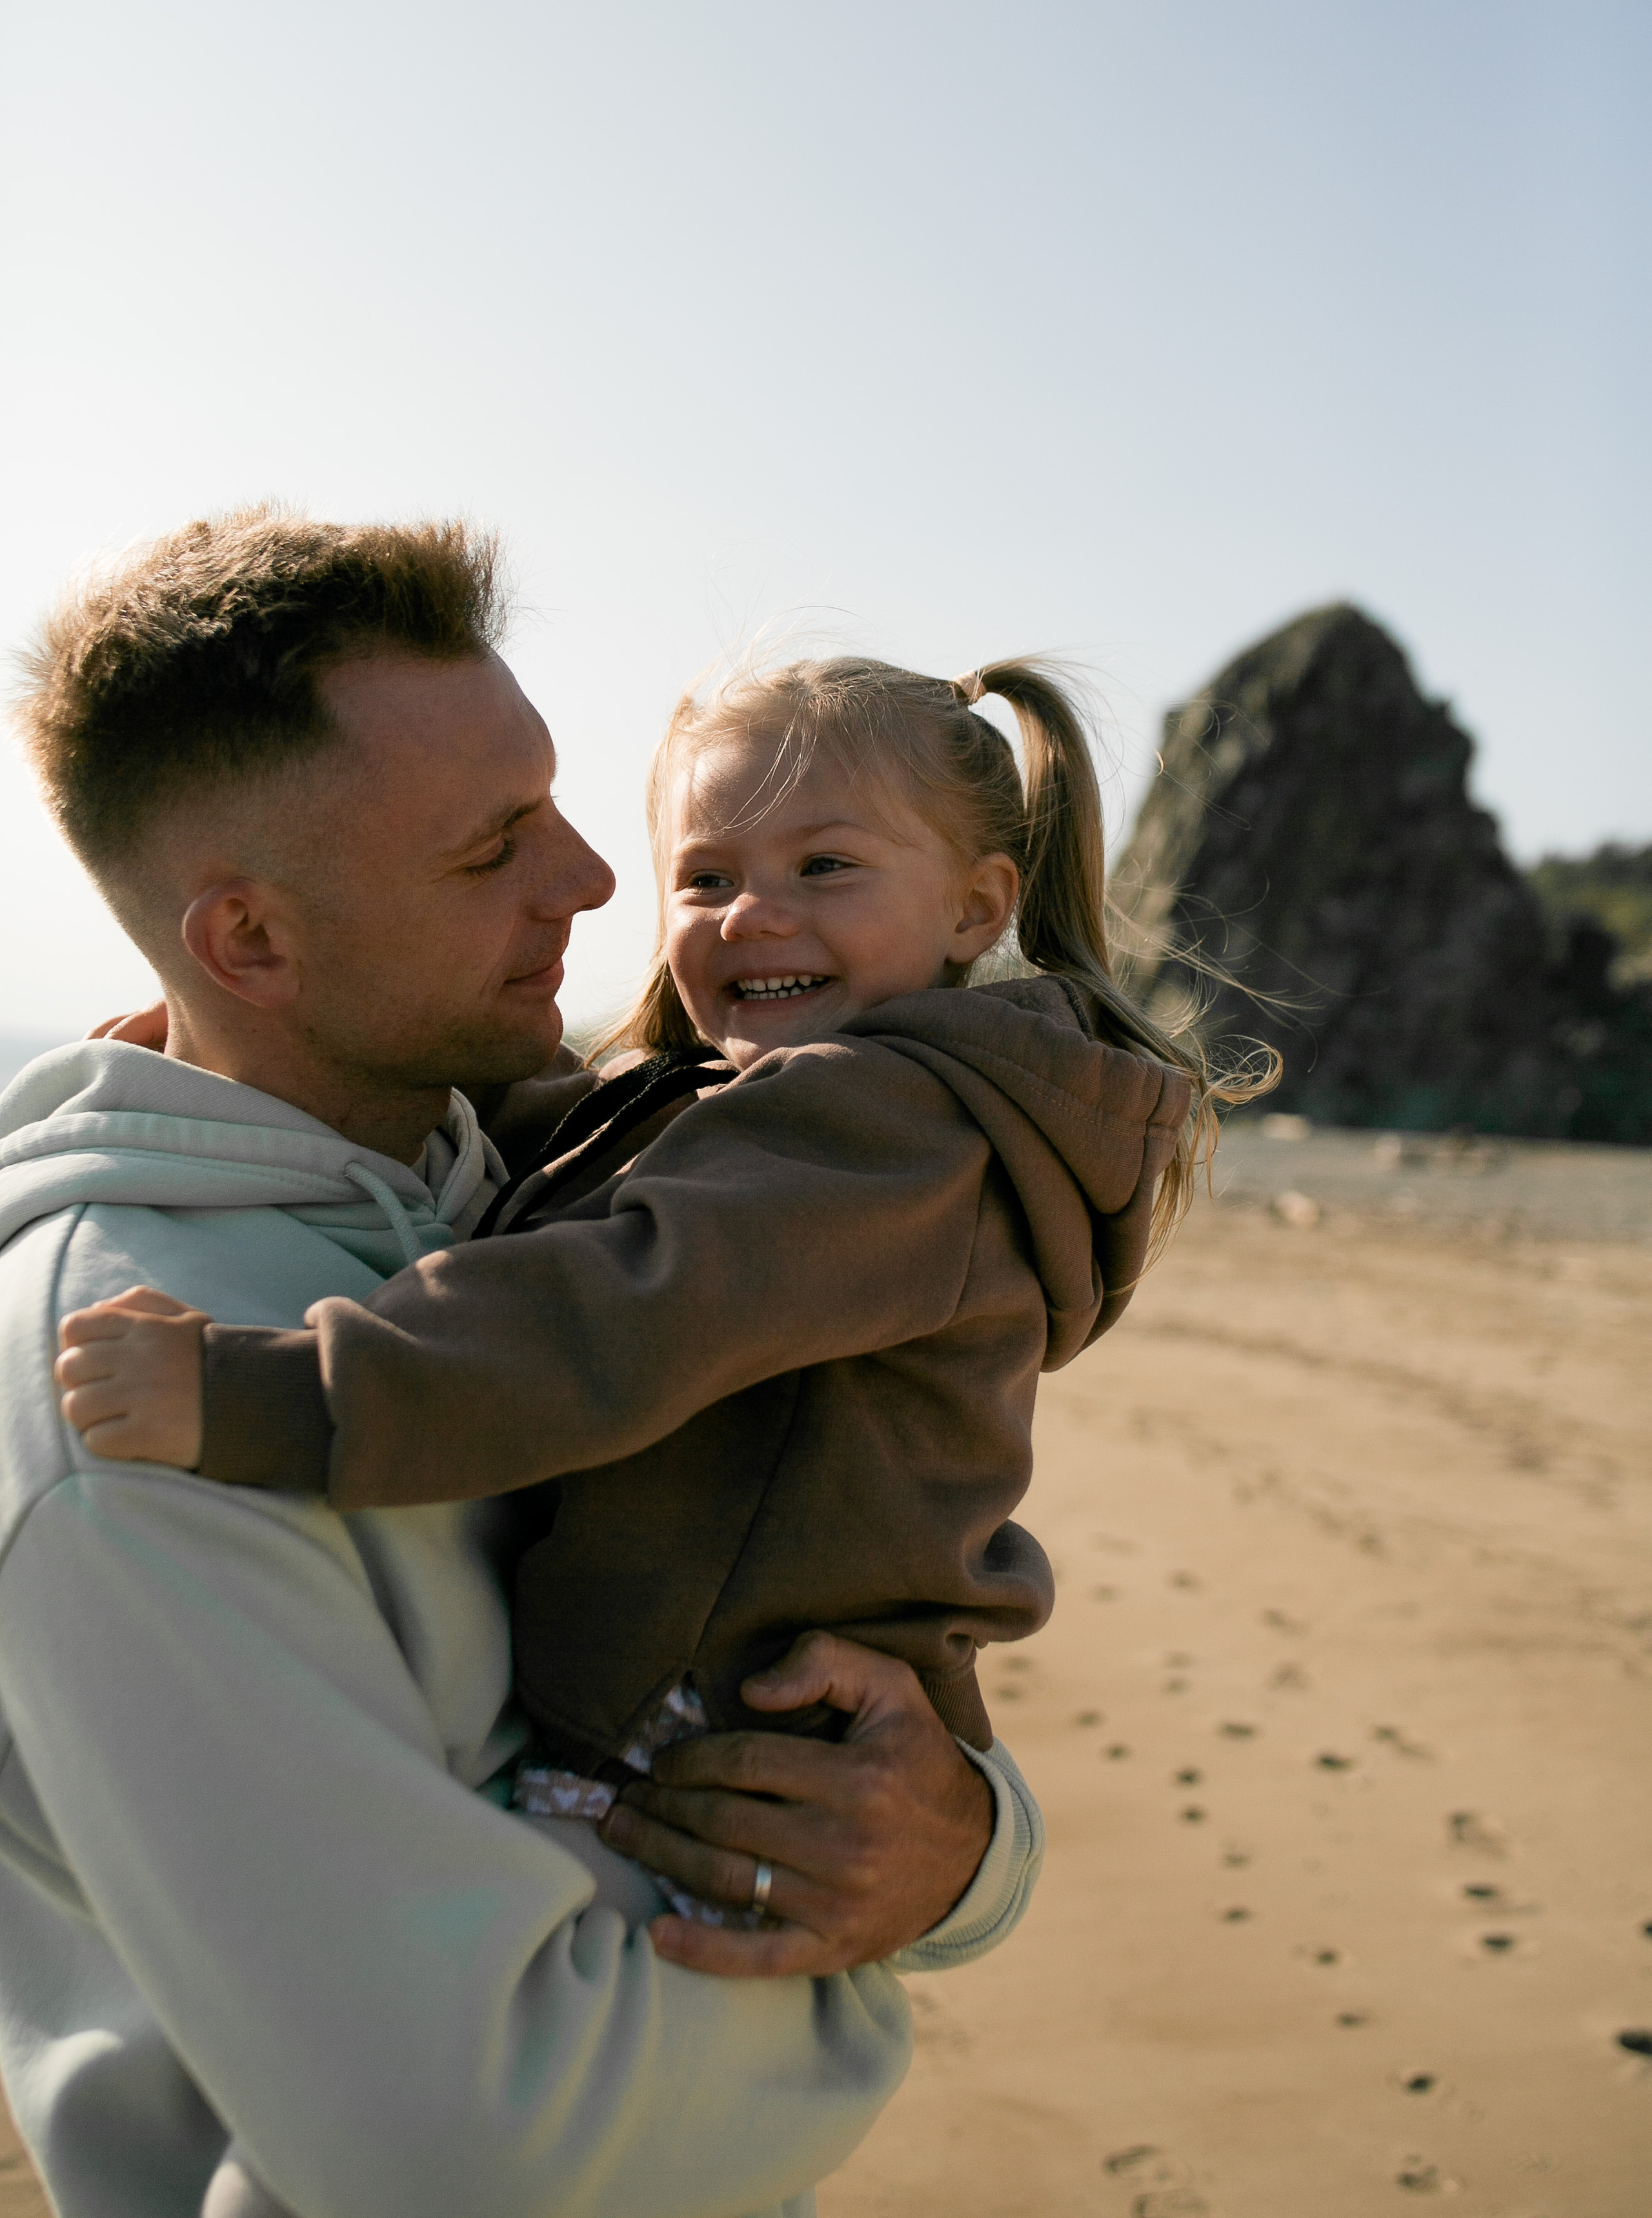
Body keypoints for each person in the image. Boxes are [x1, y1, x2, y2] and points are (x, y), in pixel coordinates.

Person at [0, 508, 1045, 2218]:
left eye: (555, 801)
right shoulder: (133, 1419)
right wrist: (854, 1998)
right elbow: (478, 2151)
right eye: (492, 850)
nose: (593, 878)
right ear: (249, 943)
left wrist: (961, 1853)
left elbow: (846, 1569)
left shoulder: (518, 1191)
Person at [59, 643, 1245, 1926]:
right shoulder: (790, 1101)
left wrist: (264, 1394)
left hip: (699, 1735)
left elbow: (607, 1314)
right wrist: (219, 1043)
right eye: (706, 877)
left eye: (824, 867)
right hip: (700, 1698)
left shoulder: (884, 1131)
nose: (749, 915)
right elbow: (590, 1132)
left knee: (387, 1969)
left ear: (974, 909)